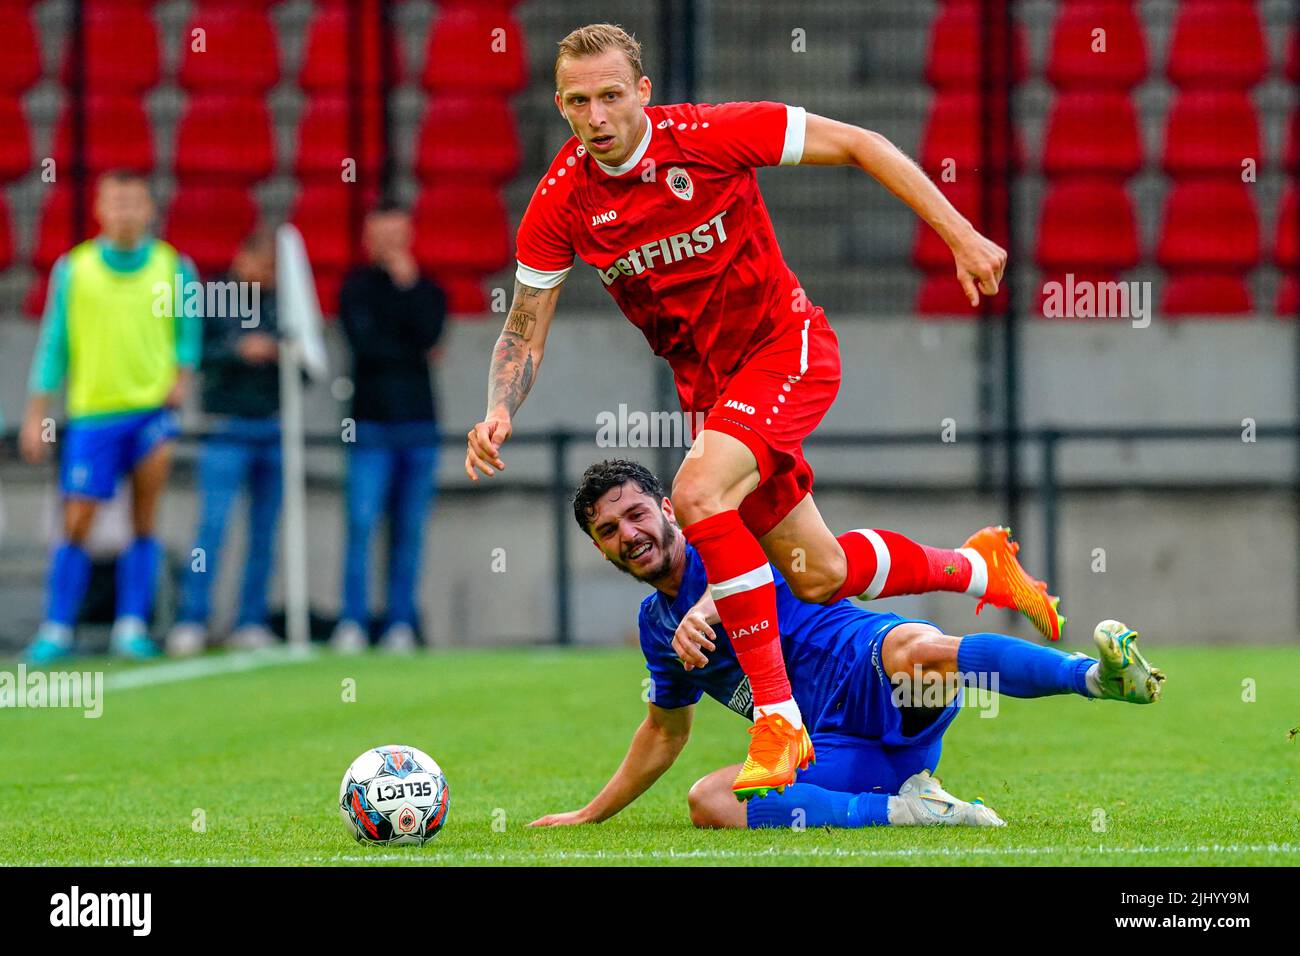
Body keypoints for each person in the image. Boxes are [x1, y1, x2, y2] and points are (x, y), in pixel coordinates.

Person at [466, 23, 1060, 799]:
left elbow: (860, 142)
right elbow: (523, 326)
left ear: (642, 92)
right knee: (819, 573)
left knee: (698, 494)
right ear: (561, 105)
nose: (597, 114)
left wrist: (961, 232)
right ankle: (983, 566)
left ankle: (778, 717)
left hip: (788, 347)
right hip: (714, 394)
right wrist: (498, 409)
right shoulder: (561, 202)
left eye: (611, 95)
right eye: (579, 101)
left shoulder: (709, 136)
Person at [530, 460, 1165, 830]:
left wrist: (707, 603)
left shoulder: (724, 531)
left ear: (669, 508)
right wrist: (588, 816)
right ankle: (911, 808)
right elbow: (664, 733)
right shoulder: (655, 627)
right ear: (600, 548)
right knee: (710, 801)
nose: (629, 533)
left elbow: (756, 541)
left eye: (637, 514)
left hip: (870, 669)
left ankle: (1093, 676)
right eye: (609, 530)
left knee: (920, 649)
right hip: (829, 746)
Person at [20, 170, 201, 662]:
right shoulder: (74, 270)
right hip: (93, 414)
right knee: (76, 520)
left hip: (149, 413)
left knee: (144, 519)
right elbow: (55, 344)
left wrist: (181, 378)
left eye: (133, 203)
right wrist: (37, 411)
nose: (124, 212)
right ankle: (57, 627)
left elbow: (189, 334)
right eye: (115, 203)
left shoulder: (173, 266)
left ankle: (131, 625)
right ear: (100, 209)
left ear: (149, 209)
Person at [331, 202, 447, 654]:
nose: (388, 245)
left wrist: (407, 288)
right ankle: (353, 622)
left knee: (410, 530)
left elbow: (429, 334)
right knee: (361, 524)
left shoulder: (426, 288)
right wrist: (410, 347)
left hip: (419, 425)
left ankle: (400, 622)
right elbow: (366, 343)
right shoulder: (355, 286)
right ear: (368, 239)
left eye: (396, 235)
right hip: (370, 425)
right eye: (380, 236)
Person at [167, 229, 283, 656]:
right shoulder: (214, 296)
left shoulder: (279, 305)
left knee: (265, 530)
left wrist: (281, 352)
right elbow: (195, 354)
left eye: (272, 269)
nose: (266, 275)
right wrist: (240, 350)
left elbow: (306, 366)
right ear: (242, 259)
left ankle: (250, 619)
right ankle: (192, 618)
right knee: (212, 526)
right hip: (224, 425)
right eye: (262, 265)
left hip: (273, 426)